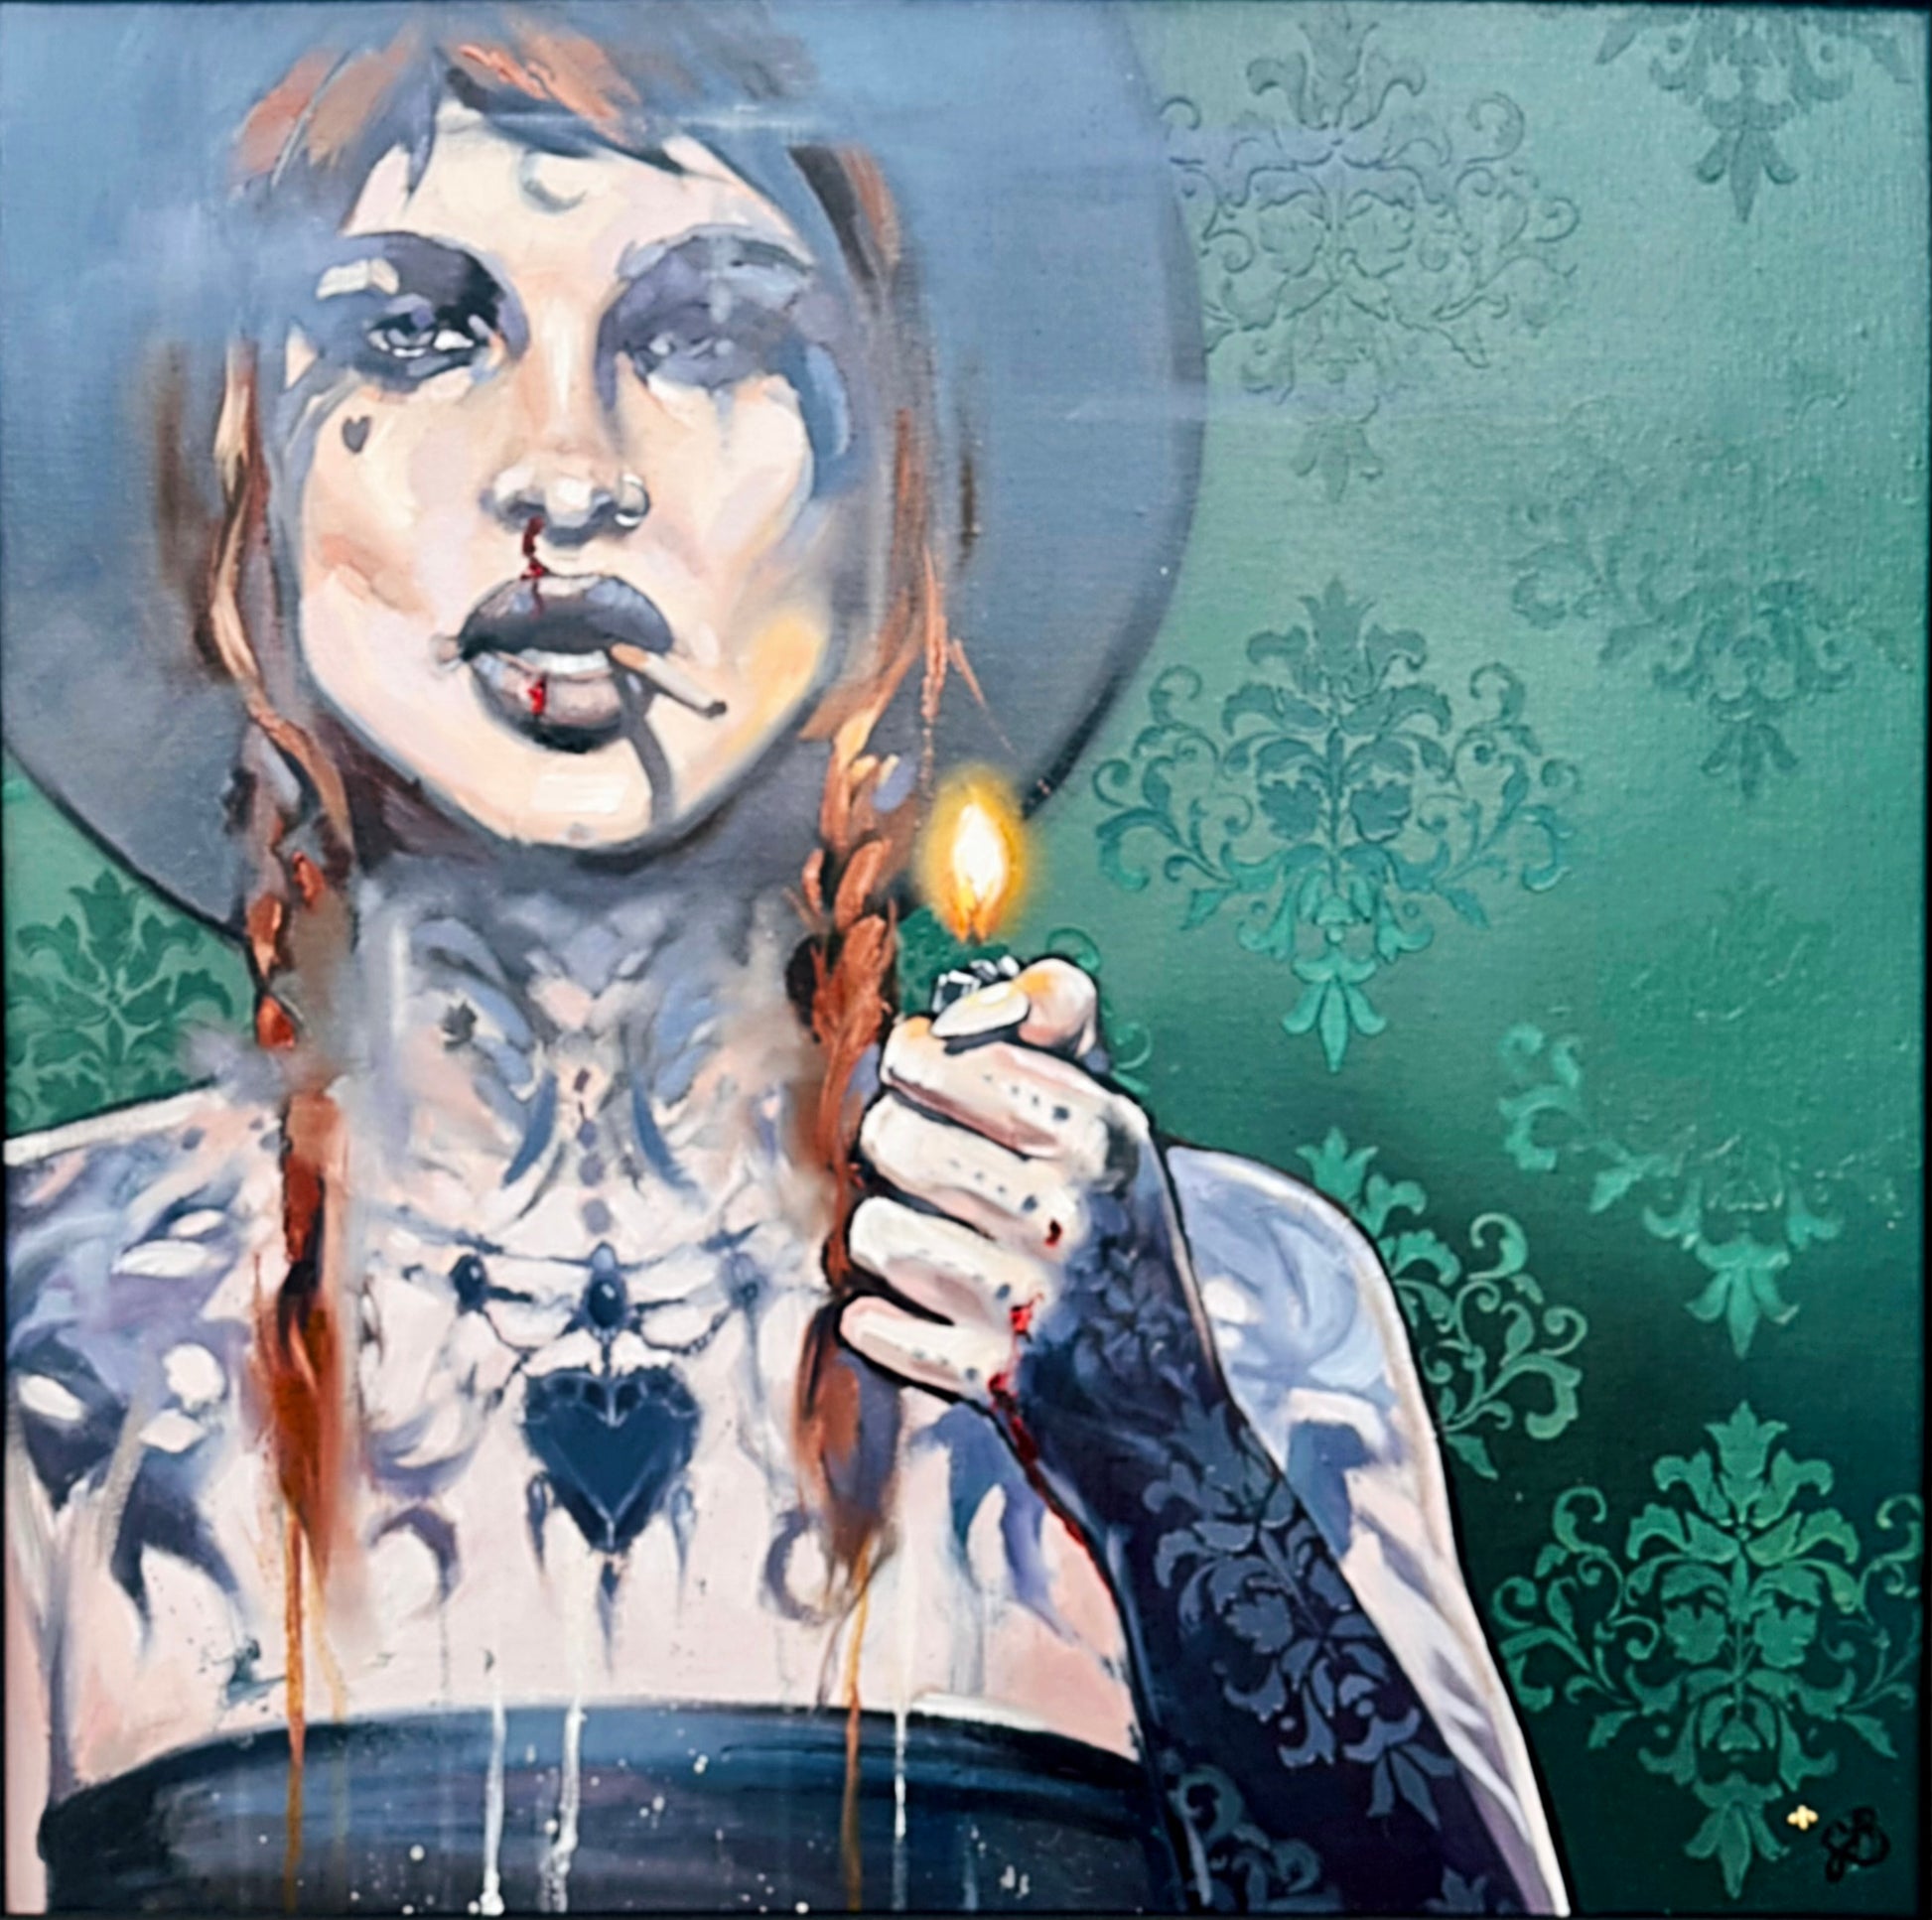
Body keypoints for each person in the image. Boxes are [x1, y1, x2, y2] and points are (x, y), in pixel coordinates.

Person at [1, 5, 1567, 1911]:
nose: (563, 471)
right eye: (410, 330)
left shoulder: (1227, 1304)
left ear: (896, 480)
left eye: (711, 332)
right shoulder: (51, 1320)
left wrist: (1160, 1452)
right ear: (241, 467)